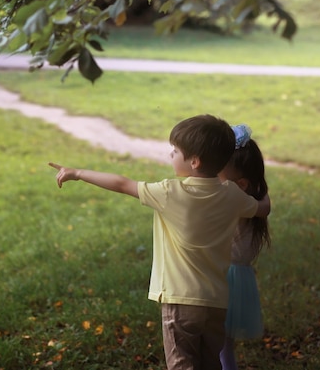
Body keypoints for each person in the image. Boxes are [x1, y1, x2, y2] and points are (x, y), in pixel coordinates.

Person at [49, 114, 271, 370]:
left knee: (182, 364)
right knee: (210, 363)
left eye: (175, 151)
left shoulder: (169, 193)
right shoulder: (232, 195)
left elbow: (121, 184)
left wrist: (77, 172)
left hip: (180, 300)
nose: (171, 155)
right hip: (216, 302)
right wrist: (262, 189)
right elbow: (261, 209)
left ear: (195, 161)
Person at [218, 124, 271, 370]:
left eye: (216, 175)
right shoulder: (255, 199)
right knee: (223, 344)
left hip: (222, 278)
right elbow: (266, 205)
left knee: (217, 342)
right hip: (237, 277)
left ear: (240, 184)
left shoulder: (232, 200)